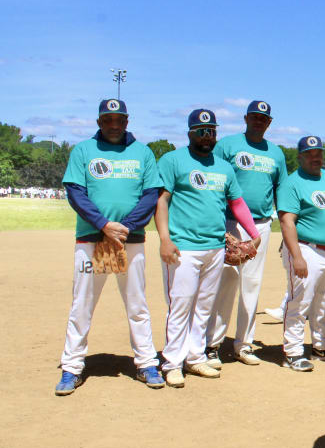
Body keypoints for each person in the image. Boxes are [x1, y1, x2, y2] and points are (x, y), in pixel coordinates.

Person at [56, 99, 164, 395]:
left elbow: (150, 194)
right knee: (83, 305)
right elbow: (75, 192)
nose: (113, 125)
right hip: (94, 239)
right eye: (108, 120)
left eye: (119, 120)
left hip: (129, 241)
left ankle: (145, 363)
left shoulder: (142, 152)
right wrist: (104, 225)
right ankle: (72, 367)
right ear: (99, 122)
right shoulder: (84, 151)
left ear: (127, 121)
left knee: (137, 304)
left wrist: (124, 227)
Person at [156, 109, 262, 388]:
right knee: (180, 306)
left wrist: (253, 234)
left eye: (211, 131)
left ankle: (195, 356)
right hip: (183, 248)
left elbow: (237, 203)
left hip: (215, 247)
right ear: (190, 132)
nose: (207, 136)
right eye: (201, 131)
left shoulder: (223, 167)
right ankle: (172, 363)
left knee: (204, 307)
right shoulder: (172, 160)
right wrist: (165, 239)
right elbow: (162, 201)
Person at [205, 100, 287, 367]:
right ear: (245, 118)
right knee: (226, 283)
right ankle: (213, 344)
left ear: (269, 122)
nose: (258, 121)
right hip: (230, 224)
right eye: (254, 116)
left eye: (263, 118)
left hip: (261, 226)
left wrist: (284, 230)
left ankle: (244, 344)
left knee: (251, 286)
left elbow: (281, 191)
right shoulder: (228, 145)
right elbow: (214, 180)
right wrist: (218, 225)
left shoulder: (276, 153)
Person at [277, 136, 325, 373]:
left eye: (318, 153)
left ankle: (321, 347)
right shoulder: (292, 183)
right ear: (300, 157)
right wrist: (297, 256)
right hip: (307, 248)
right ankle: (293, 351)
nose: (315, 157)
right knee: (300, 301)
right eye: (309, 153)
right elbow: (287, 221)